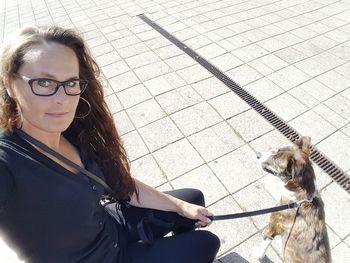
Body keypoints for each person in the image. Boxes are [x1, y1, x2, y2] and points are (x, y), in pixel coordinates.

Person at [0, 25, 220, 263]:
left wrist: (179, 206)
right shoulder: (7, 163)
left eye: (71, 83)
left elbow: (119, 183)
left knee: (192, 201)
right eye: (44, 83)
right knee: (207, 243)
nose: (62, 100)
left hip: (110, 228)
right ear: (10, 84)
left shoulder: (72, 132)